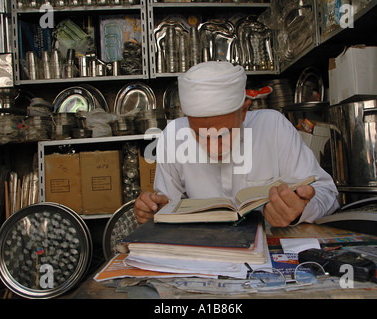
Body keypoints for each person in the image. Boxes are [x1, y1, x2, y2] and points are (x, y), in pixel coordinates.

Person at [134, 61, 339, 227]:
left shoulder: (274, 127)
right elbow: (166, 206)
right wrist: (154, 210)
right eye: (200, 135)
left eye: (224, 134)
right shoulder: (173, 136)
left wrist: (300, 210)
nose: (215, 148)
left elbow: (327, 193)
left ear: (243, 111)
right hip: (204, 254)